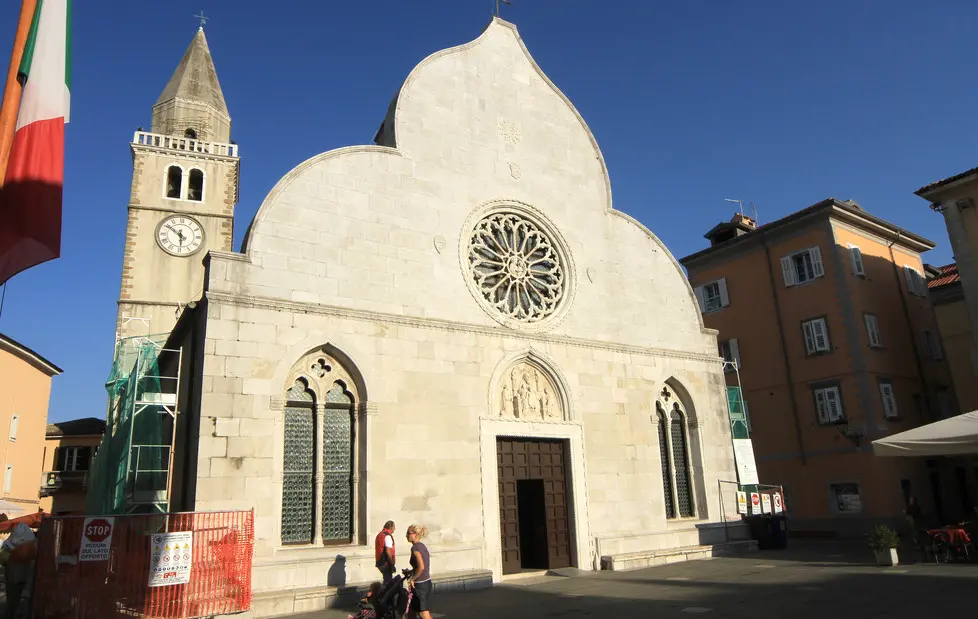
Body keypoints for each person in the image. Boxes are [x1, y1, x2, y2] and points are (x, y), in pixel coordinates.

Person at [405, 524, 433, 619]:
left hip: (421, 585)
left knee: (423, 613)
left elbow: (421, 567)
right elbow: (419, 566)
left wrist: (412, 578)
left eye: (408, 533)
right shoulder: (421, 546)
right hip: (425, 582)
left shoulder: (415, 548)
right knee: (411, 610)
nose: (406, 535)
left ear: (415, 534)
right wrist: (411, 572)